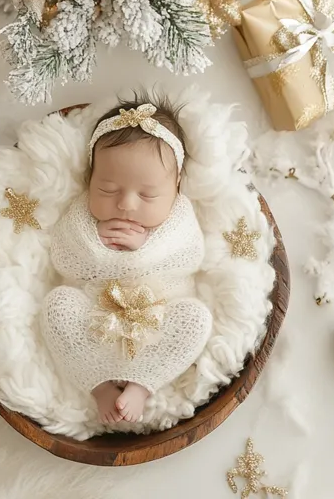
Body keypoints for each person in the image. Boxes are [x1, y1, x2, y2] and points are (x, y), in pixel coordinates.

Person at [41, 95, 212, 424]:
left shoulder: (179, 218)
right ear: (90, 180)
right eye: (107, 189)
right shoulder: (82, 217)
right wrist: (96, 246)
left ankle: (142, 384)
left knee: (196, 319)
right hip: (92, 323)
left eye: (147, 195)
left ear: (176, 185)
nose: (126, 204)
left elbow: (189, 255)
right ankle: (99, 384)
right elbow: (63, 256)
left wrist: (145, 249)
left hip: (157, 323)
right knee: (57, 305)